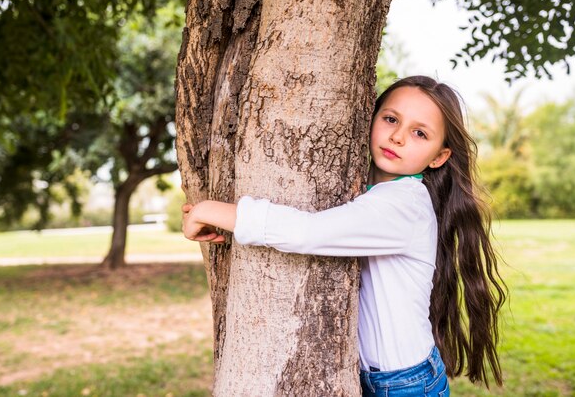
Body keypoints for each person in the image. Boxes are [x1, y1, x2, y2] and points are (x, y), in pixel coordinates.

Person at [181, 75, 506, 396]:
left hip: (406, 385)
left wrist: (209, 211)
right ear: (371, 117)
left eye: (419, 133)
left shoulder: (403, 205)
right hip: (386, 379)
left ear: (439, 157)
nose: (397, 137)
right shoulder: (373, 193)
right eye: (391, 119)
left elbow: (307, 232)